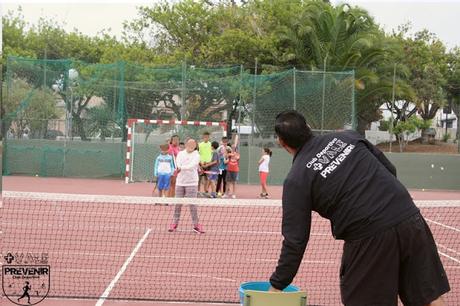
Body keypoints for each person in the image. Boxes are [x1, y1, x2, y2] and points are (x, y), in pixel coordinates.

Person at [269, 111, 450, 306]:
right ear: (309, 128)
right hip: (408, 215)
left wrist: (278, 284)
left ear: (282, 142)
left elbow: (295, 240)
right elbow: (390, 170)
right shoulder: (348, 136)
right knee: (429, 297)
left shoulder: (296, 179)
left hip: (369, 237)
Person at [168, 138, 204, 234]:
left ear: (195, 146)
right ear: (186, 144)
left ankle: (196, 225)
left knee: (192, 205)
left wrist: (181, 168)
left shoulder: (197, 155)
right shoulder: (180, 154)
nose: (191, 145)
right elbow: (178, 164)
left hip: (192, 183)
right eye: (189, 143)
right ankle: (174, 223)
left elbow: (192, 166)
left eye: (193, 144)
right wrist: (178, 167)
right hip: (180, 182)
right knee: (177, 204)